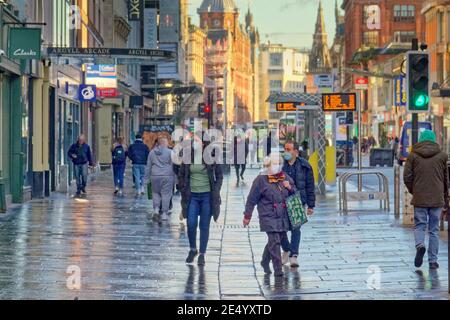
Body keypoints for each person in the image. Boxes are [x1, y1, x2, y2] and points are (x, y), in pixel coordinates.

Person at [243, 154, 296, 277]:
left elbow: (294, 191)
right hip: (268, 215)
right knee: (274, 240)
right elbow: (251, 199)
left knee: (278, 239)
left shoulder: (284, 177)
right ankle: (278, 269)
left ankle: (264, 261)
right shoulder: (261, 179)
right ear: (268, 165)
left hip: (282, 216)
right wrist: (247, 216)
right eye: (274, 163)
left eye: (279, 163)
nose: (277, 166)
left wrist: (289, 187)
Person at [403, 130, 448, 270]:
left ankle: (420, 245)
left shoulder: (413, 156)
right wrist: (445, 193)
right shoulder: (442, 156)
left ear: (421, 140)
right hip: (436, 197)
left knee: (420, 225)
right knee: (434, 230)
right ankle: (433, 261)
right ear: (434, 140)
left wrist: (413, 190)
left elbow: (407, 177)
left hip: (420, 197)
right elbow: (446, 179)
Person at [179, 137, 223, 266]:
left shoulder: (212, 157)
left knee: (204, 226)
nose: (195, 143)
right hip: (192, 196)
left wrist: (216, 189)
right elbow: (181, 173)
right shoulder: (188, 156)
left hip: (207, 197)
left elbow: (219, 176)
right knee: (191, 223)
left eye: (197, 141)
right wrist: (182, 186)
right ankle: (193, 249)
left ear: (204, 144)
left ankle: (202, 254)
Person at [282, 141, 315, 268]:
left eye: (289, 149)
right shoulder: (280, 165)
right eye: (285, 149)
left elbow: (310, 186)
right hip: (282, 201)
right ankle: (286, 249)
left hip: (298, 201)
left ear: (296, 151)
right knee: (281, 229)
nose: (286, 152)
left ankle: (293, 255)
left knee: (296, 229)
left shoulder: (305, 166)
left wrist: (311, 205)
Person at [144, 137, 175, 221]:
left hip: (155, 176)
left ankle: (156, 210)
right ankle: (164, 213)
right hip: (167, 176)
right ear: (165, 143)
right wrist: (176, 179)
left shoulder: (152, 152)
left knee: (155, 193)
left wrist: (146, 178)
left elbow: (148, 166)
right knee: (166, 194)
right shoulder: (170, 152)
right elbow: (174, 166)